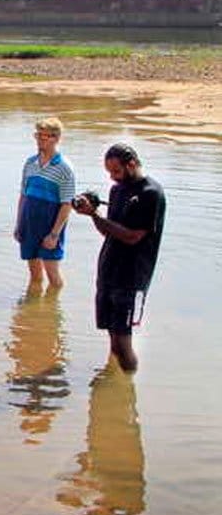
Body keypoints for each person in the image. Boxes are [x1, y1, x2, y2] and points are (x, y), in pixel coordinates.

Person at [72, 143, 166, 372]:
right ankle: (114, 388)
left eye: (116, 171)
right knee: (113, 337)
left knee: (123, 342)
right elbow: (108, 230)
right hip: (109, 271)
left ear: (131, 164)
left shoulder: (150, 194)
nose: (113, 178)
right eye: (109, 173)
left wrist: (94, 213)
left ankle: (128, 391)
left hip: (132, 277)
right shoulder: (117, 190)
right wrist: (93, 214)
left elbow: (133, 236)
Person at [15, 117, 76, 289]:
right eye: (38, 135)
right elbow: (23, 195)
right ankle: (34, 310)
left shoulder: (64, 167)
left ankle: (54, 310)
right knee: (34, 275)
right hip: (29, 224)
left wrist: (54, 234)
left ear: (56, 138)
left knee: (53, 275)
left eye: (45, 136)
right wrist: (19, 224)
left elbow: (67, 203)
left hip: (49, 226)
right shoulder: (30, 163)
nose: (40, 140)